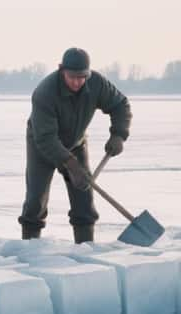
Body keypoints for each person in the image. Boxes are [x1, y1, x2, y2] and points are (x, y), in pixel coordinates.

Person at [19, 47, 132, 243]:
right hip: (41, 144)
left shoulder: (96, 84)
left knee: (84, 198)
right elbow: (46, 138)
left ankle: (85, 248)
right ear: (61, 69)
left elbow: (120, 105)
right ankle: (30, 248)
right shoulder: (45, 93)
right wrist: (70, 165)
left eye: (82, 77)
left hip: (76, 143)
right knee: (35, 199)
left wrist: (118, 135)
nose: (78, 82)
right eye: (73, 77)